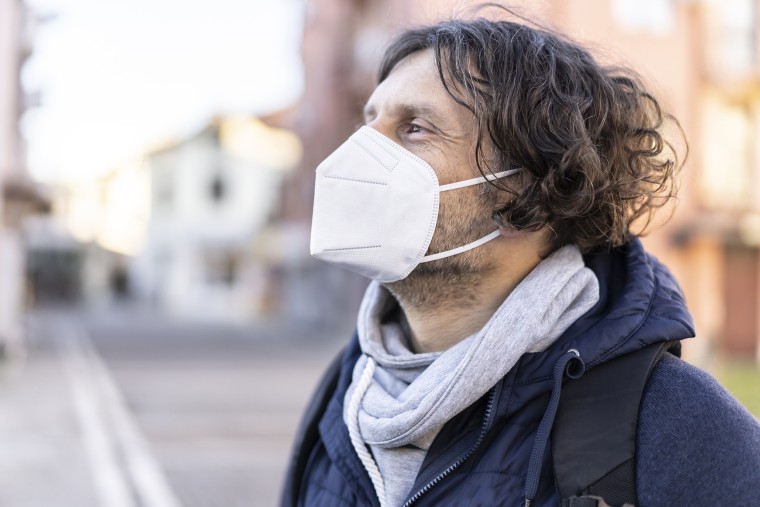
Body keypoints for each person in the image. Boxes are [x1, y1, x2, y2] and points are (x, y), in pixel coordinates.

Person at [282, 13, 760, 507]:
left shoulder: (677, 428)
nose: (359, 153)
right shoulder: (343, 399)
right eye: (369, 121)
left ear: (529, 190)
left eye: (415, 129)